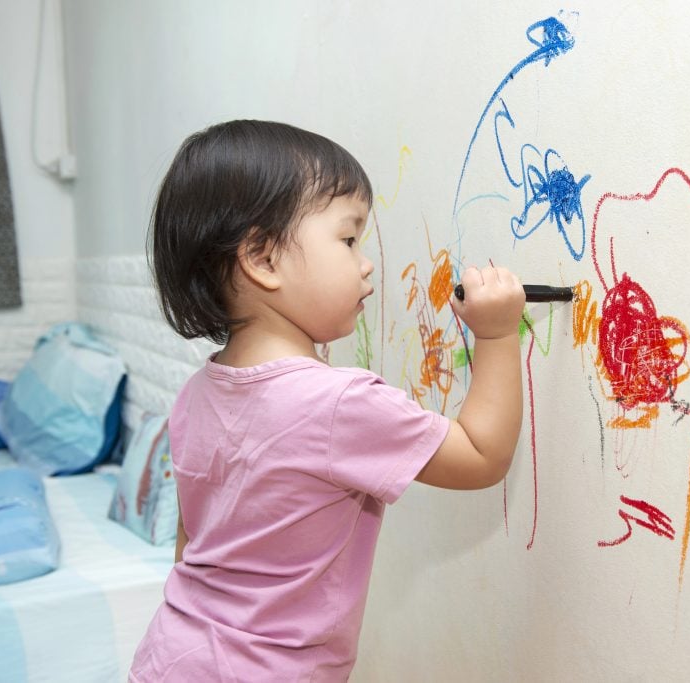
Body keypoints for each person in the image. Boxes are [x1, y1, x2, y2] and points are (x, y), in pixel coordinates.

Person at [128, 119, 526, 682]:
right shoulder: (338, 402)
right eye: (348, 239)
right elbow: (483, 455)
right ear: (263, 259)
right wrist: (496, 334)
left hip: (170, 656)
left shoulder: (198, 392)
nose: (365, 262)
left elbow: (193, 540)